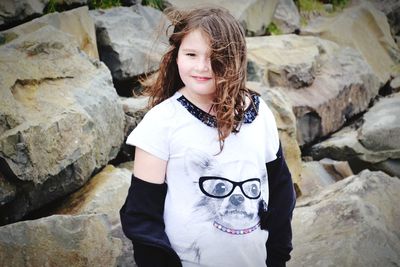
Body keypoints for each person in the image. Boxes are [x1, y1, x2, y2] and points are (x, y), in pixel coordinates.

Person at [120, 6, 296, 267]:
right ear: (176, 56)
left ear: (235, 59)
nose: (202, 66)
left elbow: (281, 193)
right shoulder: (161, 123)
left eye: (215, 57)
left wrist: (278, 257)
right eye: (191, 54)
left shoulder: (260, 115)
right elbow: (141, 217)